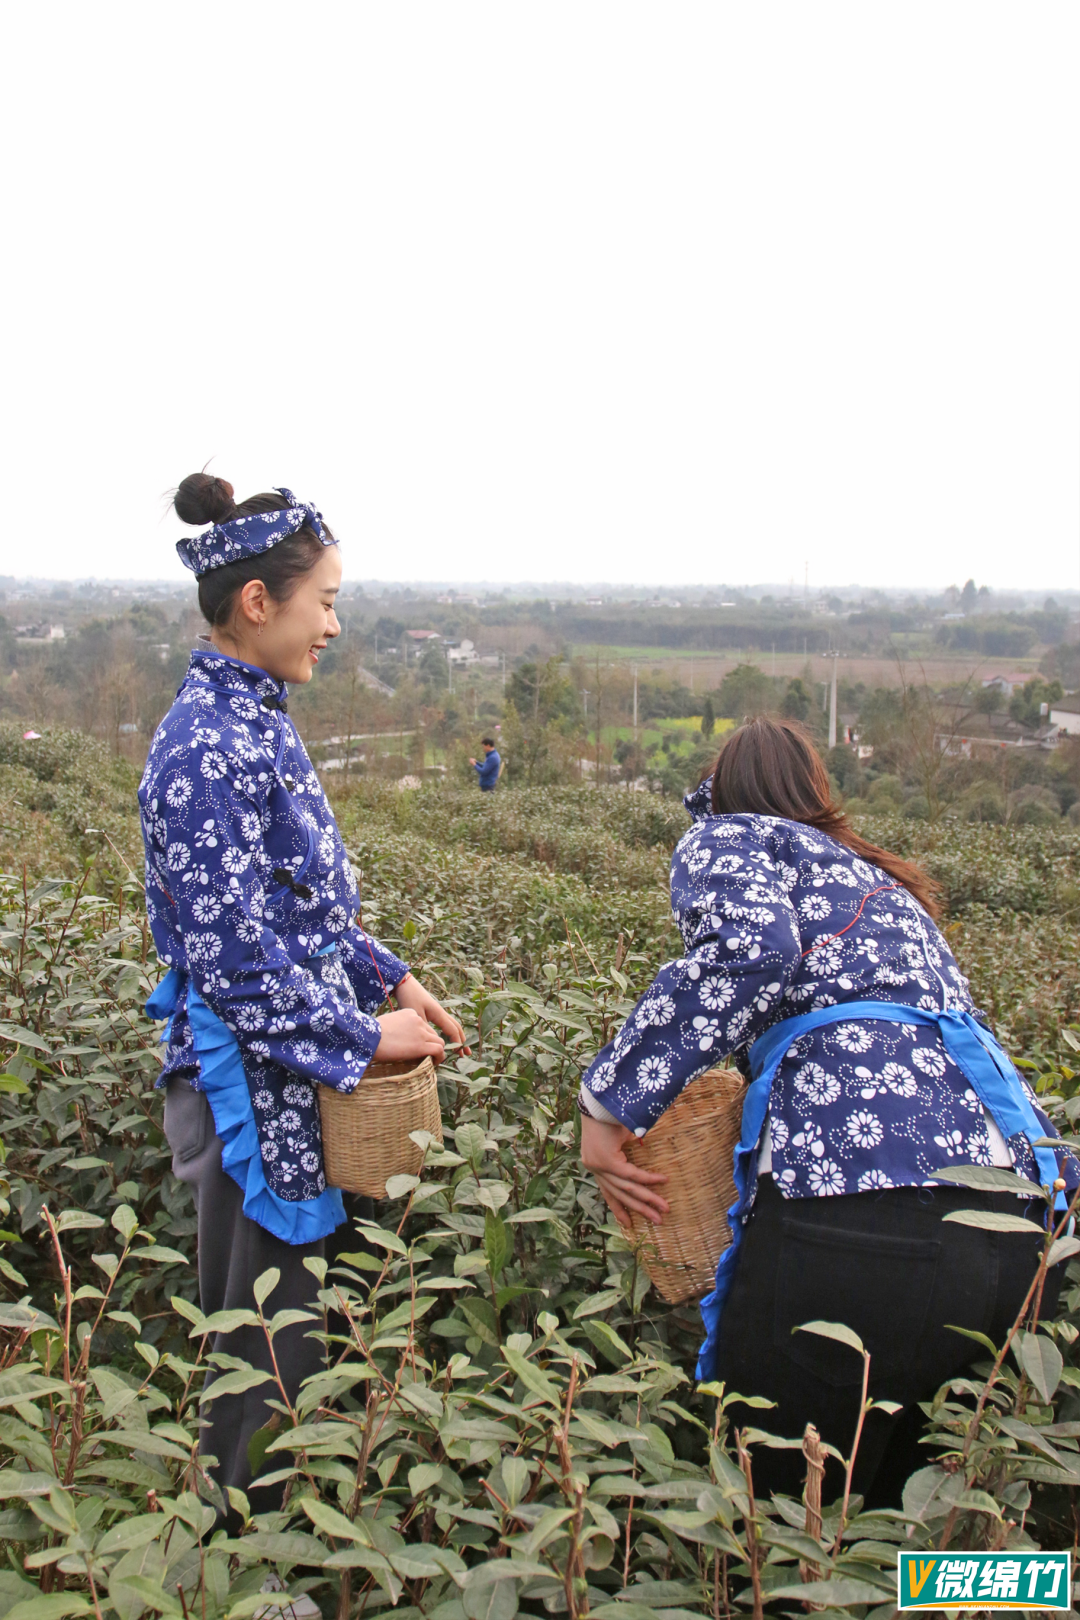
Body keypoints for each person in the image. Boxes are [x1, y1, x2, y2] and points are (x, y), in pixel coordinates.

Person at [579, 717, 1077, 1506]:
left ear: (721, 790)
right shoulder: (879, 882)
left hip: (862, 1219)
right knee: (906, 1534)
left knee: (779, 1523)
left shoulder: (731, 835)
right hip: (1019, 1231)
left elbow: (752, 953)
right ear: (817, 791)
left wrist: (608, 1104)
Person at [140, 473, 467, 1511]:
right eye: (323, 599)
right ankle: (253, 1567)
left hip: (298, 1066)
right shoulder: (202, 748)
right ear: (257, 603)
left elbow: (304, 915)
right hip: (251, 1078)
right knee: (261, 1356)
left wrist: (396, 979)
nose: (332, 622)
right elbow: (241, 967)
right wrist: (370, 1038)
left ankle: (301, 1544)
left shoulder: (260, 724)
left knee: (305, 1334)